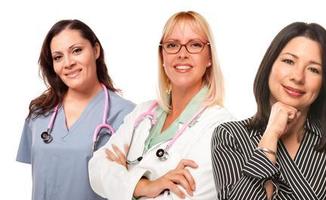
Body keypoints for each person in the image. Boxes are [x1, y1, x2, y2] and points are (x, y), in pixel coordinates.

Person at [88, 11, 233, 199]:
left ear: (209, 57)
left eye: (194, 45)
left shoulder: (221, 128)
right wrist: (144, 187)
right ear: (162, 56)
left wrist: (122, 179)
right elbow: (96, 168)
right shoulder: (142, 113)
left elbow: (182, 196)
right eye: (172, 45)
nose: (182, 54)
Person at [211, 22, 326, 200]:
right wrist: (271, 135)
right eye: (289, 61)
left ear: (325, 82)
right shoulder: (229, 136)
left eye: (314, 69)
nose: (298, 77)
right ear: (270, 65)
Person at [16, 19, 135, 199]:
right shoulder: (39, 113)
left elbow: (135, 185)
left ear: (96, 50)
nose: (68, 63)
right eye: (58, 57)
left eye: (77, 51)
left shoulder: (128, 115)